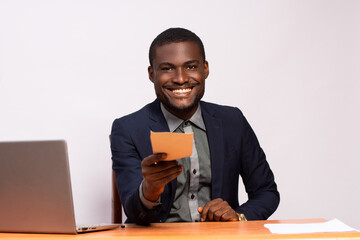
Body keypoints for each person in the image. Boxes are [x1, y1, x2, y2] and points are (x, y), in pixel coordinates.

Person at [111, 27, 279, 225]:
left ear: (205, 69)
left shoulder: (233, 121)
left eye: (190, 67)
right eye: (167, 68)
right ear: (151, 73)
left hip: (220, 239)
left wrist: (238, 217)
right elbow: (133, 210)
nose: (181, 78)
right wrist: (149, 191)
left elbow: (266, 192)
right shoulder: (128, 129)